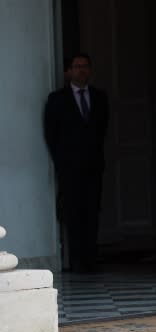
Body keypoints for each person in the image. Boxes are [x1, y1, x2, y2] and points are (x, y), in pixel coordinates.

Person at [44, 53, 109, 273]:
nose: (82, 70)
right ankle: (76, 261)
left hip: (93, 167)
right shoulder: (57, 100)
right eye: (77, 66)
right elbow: (51, 134)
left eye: (85, 66)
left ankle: (91, 259)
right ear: (68, 72)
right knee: (73, 213)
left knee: (92, 212)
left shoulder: (100, 98)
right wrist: (62, 161)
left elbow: (102, 131)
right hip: (69, 168)